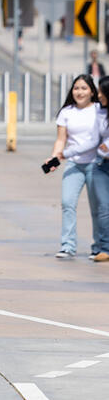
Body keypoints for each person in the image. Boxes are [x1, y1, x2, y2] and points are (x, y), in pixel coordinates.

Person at [47, 74, 100, 259]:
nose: (79, 92)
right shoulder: (66, 112)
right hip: (74, 164)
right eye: (76, 88)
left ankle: (99, 247)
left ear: (92, 91)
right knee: (68, 203)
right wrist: (53, 159)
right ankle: (68, 246)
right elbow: (61, 140)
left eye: (84, 88)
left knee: (98, 207)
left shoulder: (100, 110)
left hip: (97, 165)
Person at [90, 76, 109, 262]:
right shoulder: (98, 111)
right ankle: (105, 248)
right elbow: (93, 137)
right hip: (101, 166)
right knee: (104, 208)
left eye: (102, 91)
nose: (99, 95)